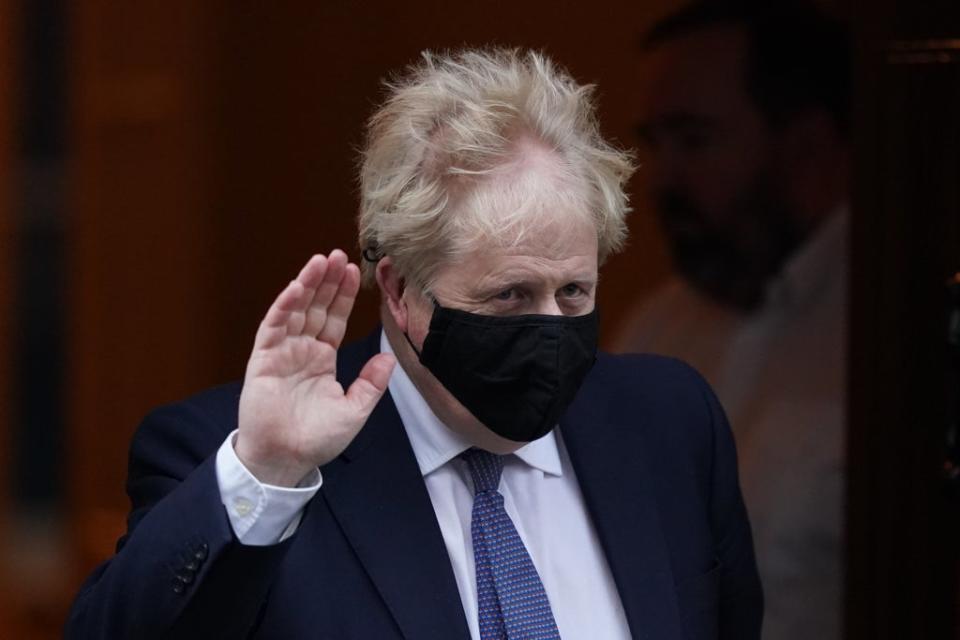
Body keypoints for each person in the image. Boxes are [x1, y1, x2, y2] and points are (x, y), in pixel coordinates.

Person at [66, 48, 762, 639]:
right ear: (399, 290)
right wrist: (267, 473)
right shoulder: (242, 456)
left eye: (574, 293)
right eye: (510, 296)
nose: (551, 327)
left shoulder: (669, 425)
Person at [615, 3, 850, 639]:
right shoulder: (654, 333)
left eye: (694, 139)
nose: (660, 179)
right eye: (655, 144)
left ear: (805, 143)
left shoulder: (882, 335)